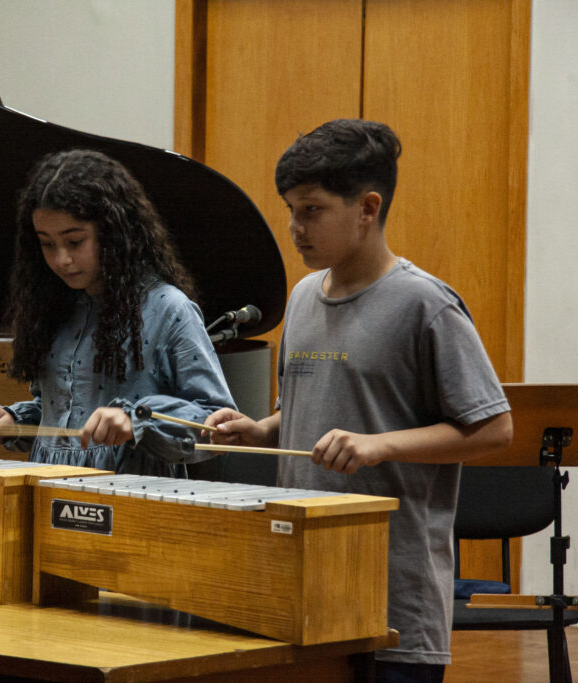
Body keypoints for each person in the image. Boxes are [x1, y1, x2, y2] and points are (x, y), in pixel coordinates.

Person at [205, 119, 513, 682]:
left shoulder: (425, 305)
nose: (295, 227)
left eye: (311, 210)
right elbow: (314, 411)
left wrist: (378, 446)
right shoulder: (300, 298)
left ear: (367, 208)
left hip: (393, 597)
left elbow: (493, 429)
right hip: (303, 583)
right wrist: (261, 429)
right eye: (291, 210)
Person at [0, 148, 235, 476]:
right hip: (47, 483)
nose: (61, 259)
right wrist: (16, 420)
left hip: (131, 493)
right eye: (47, 244)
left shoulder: (169, 309)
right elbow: (64, 412)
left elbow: (218, 422)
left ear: (112, 233)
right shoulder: (53, 306)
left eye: (75, 242)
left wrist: (138, 419)